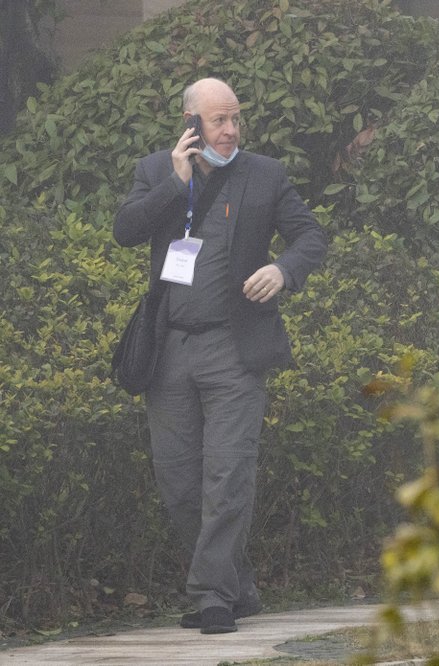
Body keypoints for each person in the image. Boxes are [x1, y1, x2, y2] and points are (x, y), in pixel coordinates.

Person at [114, 77, 327, 634]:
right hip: (170, 349)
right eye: (218, 120)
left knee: (228, 474)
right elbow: (125, 232)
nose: (231, 130)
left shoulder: (265, 174)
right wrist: (175, 183)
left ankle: (211, 596)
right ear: (190, 124)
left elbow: (311, 237)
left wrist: (283, 269)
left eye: (235, 119)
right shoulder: (155, 171)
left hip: (235, 349)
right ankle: (238, 585)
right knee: (179, 480)